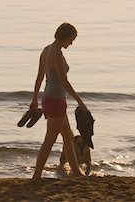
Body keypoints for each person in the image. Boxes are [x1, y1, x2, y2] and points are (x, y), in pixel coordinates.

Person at [30, 22, 88, 180]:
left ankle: (76, 173)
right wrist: (80, 101)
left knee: (68, 137)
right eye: (71, 39)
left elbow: (40, 77)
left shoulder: (47, 49)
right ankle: (36, 177)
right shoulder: (56, 52)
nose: (72, 43)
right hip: (56, 100)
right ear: (66, 36)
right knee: (49, 140)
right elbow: (64, 81)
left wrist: (35, 99)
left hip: (49, 98)